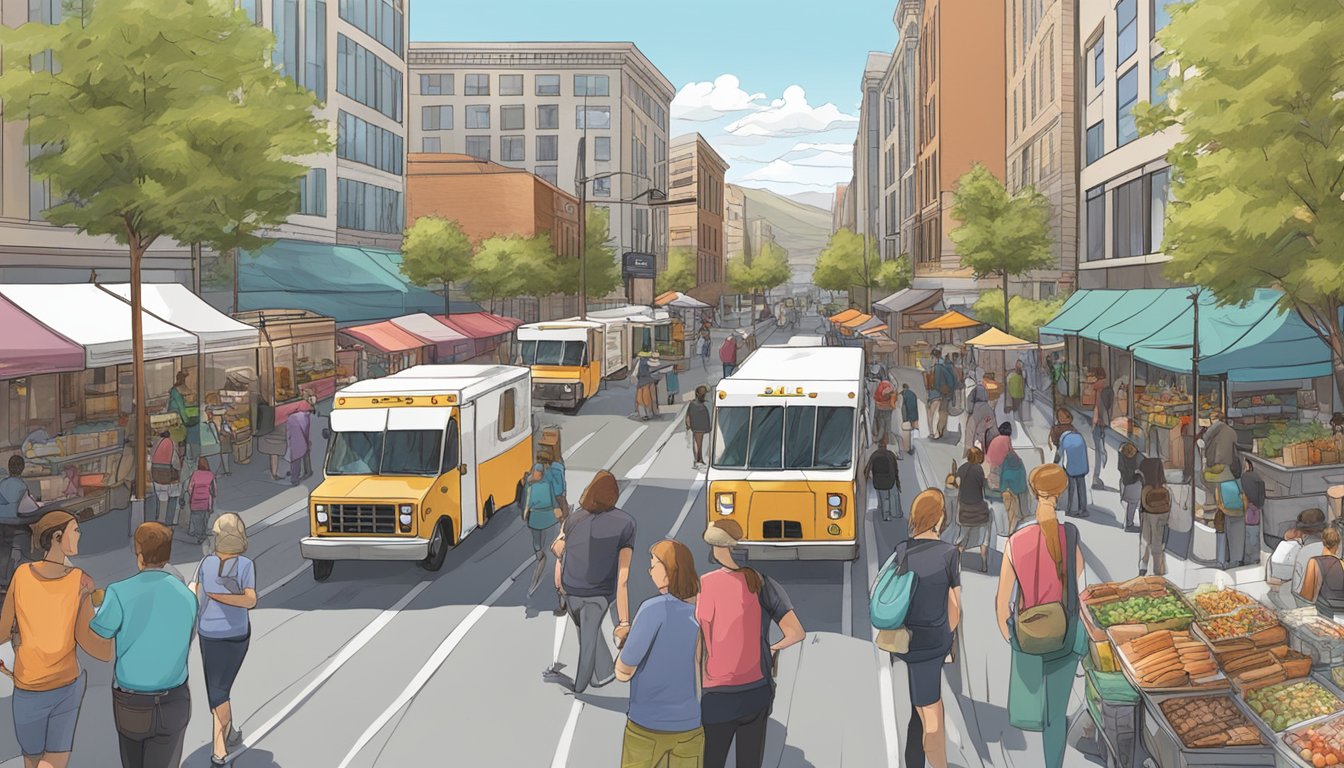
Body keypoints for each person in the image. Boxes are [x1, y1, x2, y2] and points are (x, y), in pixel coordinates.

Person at [87, 522, 197, 768]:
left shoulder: (119, 592)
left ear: (139, 557)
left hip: (132, 703)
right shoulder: (187, 596)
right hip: (175, 699)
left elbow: (99, 632)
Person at [996, 464, 1085, 768]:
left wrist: (1015, 638)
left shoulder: (1015, 542)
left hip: (1029, 635)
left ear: (1033, 492)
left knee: (1034, 703)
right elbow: (1078, 577)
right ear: (1059, 494)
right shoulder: (1069, 534)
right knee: (1055, 715)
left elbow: (1001, 603)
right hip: (1065, 636)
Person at [0, 511, 103, 768]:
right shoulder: (81, 581)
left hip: (27, 687)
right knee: (54, 761)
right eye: (75, 530)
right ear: (58, 536)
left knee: (32, 761)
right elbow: (90, 641)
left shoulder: (22, 575)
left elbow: (2, 631)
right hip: (65, 685)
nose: (79, 535)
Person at [699, 520, 805, 768]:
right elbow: (796, 632)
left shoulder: (705, 585)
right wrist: (771, 649)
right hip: (756, 690)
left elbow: (701, 641)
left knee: (712, 760)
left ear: (714, 547)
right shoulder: (761, 581)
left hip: (716, 693)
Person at [614, 540, 703, 768]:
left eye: (654, 564)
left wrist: (623, 640)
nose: (649, 570)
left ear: (668, 571)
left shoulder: (653, 609)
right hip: (691, 725)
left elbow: (624, 671)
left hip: (647, 726)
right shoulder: (702, 611)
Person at [889, 490, 961, 768]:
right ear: (940, 518)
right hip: (933, 642)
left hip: (907, 640)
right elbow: (955, 607)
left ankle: (914, 761)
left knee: (918, 709)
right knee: (932, 716)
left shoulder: (902, 550)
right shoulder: (949, 554)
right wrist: (946, 636)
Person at [545, 471, 635, 694]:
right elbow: (623, 577)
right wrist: (624, 621)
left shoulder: (575, 518)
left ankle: (601, 674)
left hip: (571, 587)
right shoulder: (626, 523)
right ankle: (581, 685)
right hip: (600, 592)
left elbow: (556, 547)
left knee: (586, 631)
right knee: (589, 634)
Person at [189, 513, 255, 766]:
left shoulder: (239, 565)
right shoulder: (214, 564)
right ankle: (231, 732)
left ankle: (219, 749)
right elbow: (197, 594)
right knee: (220, 687)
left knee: (217, 691)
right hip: (225, 633)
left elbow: (251, 600)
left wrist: (218, 597)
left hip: (222, 635)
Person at [524, 459, 563, 597]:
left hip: (546, 518)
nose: (538, 474)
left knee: (544, 543)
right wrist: (526, 511)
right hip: (536, 518)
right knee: (537, 542)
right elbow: (527, 501)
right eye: (536, 472)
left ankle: (543, 556)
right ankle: (540, 553)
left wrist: (556, 508)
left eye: (539, 472)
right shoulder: (530, 485)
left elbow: (553, 498)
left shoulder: (546, 483)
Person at [0, 454, 40, 587]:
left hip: (1, 525)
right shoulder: (22, 486)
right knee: (26, 538)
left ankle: (2, 581)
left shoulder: (2, 484)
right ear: (22, 469)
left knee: (4, 551)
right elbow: (29, 508)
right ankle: (19, 579)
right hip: (15, 526)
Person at [954, 448, 992, 572]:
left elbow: (957, 484)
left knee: (962, 537)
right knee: (985, 533)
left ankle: (957, 562)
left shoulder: (962, 468)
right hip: (978, 510)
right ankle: (984, 563)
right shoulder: (979, 470)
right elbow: (984, 488)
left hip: (964, 510)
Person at [986, 422, 1027, 536]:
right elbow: (1011, 453)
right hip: (1001, 467)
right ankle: (1022, 512)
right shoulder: (1006, 439)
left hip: (992, 467)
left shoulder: (995, 439)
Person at [1300, 527, 1344, 619]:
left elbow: (1306, 595)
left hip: (1324, 612)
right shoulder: (1342, 563)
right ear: (1338, 544)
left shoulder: (1314, 562)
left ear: (1323, 542)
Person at [1137, 457, 1170, 576]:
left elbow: (1143, 504)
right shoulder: (1164, 487)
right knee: (1158, 542)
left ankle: (1143, 565)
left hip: (1148, 514)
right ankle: (1158, 570)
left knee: (1146, 540)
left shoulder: (1146, 487)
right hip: (1162, 515)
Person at [1210, 465, 1246, 569]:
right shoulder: (1237, 482)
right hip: (1239, 513)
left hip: (1227, 513)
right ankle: (1237, 560)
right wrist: (1243, 510)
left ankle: (1223, 562)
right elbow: (1243, 496)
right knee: (1238, 537)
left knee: (1226, 537)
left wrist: (1222, 508)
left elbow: (1218, 500)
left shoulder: (1220, 484)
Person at [1054, 424, 1090, 518]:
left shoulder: (1063, 439)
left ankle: (1069, 508)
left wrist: (1058, 466)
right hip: (1082, 467)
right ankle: (1083, 509)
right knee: (1081, 487)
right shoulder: (1079, 436)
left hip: (1071, 468)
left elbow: (1060, 455)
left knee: (1071, 488)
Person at [149, 430, 183, 526]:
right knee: (171, 496)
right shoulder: (172, 443)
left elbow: (151, 456)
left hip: (155, 473)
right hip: (167, 475)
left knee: (160, 496)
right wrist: (179, 469)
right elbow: (175, 462)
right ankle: (168, 521)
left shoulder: (156, 442)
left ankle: (159, 518)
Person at [865, 437, 901, 522]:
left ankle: (885, 515)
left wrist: (866, 477)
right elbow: (895, 469)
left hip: (878, 481)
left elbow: (868, 468)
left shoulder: (874, 455)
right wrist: (897, 480)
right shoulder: (890, 454)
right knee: (894, 495)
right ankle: (896, 513)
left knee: (883, 497)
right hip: (890, 480)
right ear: (885, 445)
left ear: (878, 446)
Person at [1090, 369, 1112, 490]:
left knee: (1099, 450)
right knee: (1100, 449)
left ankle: (1096, 477)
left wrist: (1096, 421)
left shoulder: (1099, 388)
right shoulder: (1104, 388)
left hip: (1098, 422)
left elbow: (1097, 408)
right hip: (1100, 422)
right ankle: (1096, 477)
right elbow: (1101, 407)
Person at [1201, 411, 1241, 480]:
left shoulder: (1213, 428)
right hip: (1229, 464)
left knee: (1204, 477)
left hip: (1216, 463)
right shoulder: (1232, 431)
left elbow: (1204, 439)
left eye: (1211, 419)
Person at [186, 457, 217, 544]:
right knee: (204, 518)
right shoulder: (211, 475)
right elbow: (214, 489)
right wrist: (213, 496)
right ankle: (203, 533)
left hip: (195, 501)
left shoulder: (195, 474)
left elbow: (190, 488)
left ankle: (199, 536)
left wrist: (192, 495)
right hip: (207, 502)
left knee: (196, 519)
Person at [1241, 458, 1265, 566]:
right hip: (1255, 520)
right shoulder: (1256, 478)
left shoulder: (1246, 479)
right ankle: (1254, 559)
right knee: (1254, 540)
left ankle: (1249, 560)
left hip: (1248, 520)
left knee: (1249, 541)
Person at [1117, 442, 1145, 532]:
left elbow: (1120, 468)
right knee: (1137, 504)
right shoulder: (1138, 456)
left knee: (1130, 504)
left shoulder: (1121, 455)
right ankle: (1131, 525)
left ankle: (1129, 523)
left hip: (1125, 482)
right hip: (1135, 483)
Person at [286, 398, 314, 486]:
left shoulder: (292, 417)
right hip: (304, 439)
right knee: (305, 453)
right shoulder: (306, 416)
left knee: (296, 459)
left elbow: (288, 431)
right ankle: (308, 471)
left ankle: (295, 479)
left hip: (295, 442)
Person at [930, 352, 956, 440]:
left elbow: (937, 383)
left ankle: (937, 432)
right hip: (948, 393)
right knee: (944, 412)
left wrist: (933, 387)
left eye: (932, 358)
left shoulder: (938, 367)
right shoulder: (949, 367)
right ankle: (940, 430)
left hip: (942, 393)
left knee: (937, 413)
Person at [687, 386, 711, 468]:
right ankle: (698, 460)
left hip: (704, 427)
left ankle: (700, 460)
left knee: (702, 444)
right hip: (697, 427)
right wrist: (689, 426)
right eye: (702, 392)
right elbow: (688, 416)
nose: (703, 394)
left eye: (704, 392)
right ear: (697, 393)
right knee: (698, 444)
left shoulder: (706, 403)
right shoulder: (693, 404)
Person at [873, 370, 896, 444]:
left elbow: (876, 398)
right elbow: (894, 397)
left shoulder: (880, 386)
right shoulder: (891, 386)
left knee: (881, 425)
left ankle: (879, 439)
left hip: (880, 408)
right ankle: (888, 441)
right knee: (888, 425)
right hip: (888, 409)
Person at [899, 382, 919, 455]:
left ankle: (907, 448)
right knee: (912, 431)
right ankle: (911, 446)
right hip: (914, 414)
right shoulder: (913, 394)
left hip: (907, 415)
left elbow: (903, 407)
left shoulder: (902, 394)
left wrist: (904, 418)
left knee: (906, 432)